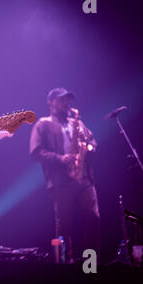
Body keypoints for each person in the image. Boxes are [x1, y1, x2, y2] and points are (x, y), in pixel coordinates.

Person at [29, 88, 100, 263]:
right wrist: (61, 159)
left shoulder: (77, 122)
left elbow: (92, 142)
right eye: (61, 100)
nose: (66, 104)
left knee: (93, 218)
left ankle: (90, 265)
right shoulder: (43, 124)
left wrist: (87, 147)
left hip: (83, 178)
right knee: (65, 225)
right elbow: (35, 152)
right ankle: (64, 265)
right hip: (61, 181)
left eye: (67, 100)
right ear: (50, 102)